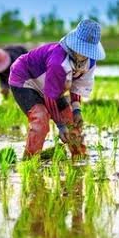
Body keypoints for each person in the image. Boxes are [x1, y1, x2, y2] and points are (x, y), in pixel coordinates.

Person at [9, 19, 105, 158]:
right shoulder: (58, 62)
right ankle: (30, 161)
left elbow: (77, 86)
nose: (84, 54)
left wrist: (77, 110)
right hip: (25, 78)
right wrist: (60, 125)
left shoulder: (89, 62)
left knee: (71, 120)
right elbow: (50, 96)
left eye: (88, 51)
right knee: (40, 118)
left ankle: (79, 158)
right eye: (81, 49)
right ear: (74, 44)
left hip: (51, 82)